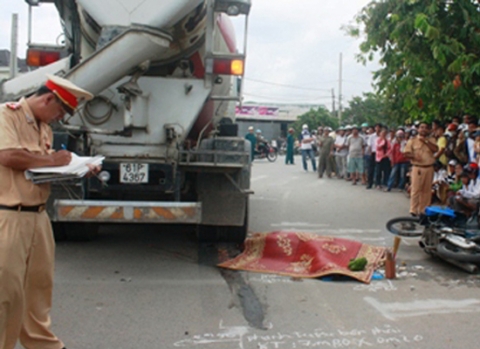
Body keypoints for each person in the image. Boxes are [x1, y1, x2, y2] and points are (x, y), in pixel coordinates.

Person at [0, 74, 98, 349]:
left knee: (38, 293)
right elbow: (7, 156)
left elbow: (42, 170)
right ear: (47, 99)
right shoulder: (7, 116)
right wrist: (52, 159)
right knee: (5, 294)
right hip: (9, 216)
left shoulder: (43, 127)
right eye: (60, 112)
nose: (58, 119)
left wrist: (77, 169)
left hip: (38, 217)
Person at [403, 122, 439, 216]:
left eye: (426, 128)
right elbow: (406, 153)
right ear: (418, 129)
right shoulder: (413, 140)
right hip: (417, 167)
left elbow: (436, 149)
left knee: (427, 190)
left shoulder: (432, 139)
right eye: (421, 127)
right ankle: (413, 210)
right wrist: (414, 156)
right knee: (415, 189)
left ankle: (424, 210)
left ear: (429, 130)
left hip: (429, 167)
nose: (423, 129)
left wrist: (425, 141)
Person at [366, 123, 381, 189]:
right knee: (370, 169)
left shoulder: (382, 136)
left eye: (378, 127)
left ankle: (378, 183)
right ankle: (370, 183)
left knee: (378, 169)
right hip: (373, 153)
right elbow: (369, 145)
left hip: (380, 154)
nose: (377, 129)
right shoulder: (371, 136)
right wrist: (369, 153)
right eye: (376, 127)